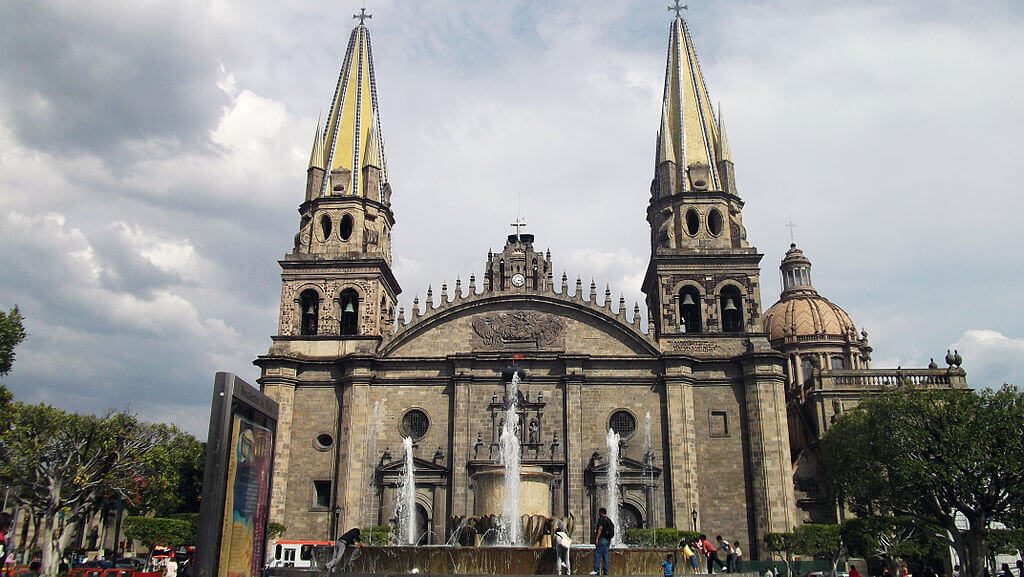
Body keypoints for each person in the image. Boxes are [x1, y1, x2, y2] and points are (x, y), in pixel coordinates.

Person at [590, 507, 614, 576]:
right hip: (607, 540)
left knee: (597, 554)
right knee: (606, 555)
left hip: (602, 539)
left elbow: (600, 528)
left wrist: (597, 538)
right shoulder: (608, 519)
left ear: (600, 513)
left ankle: (596, 570)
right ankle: (606, 571)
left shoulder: (601, 519)